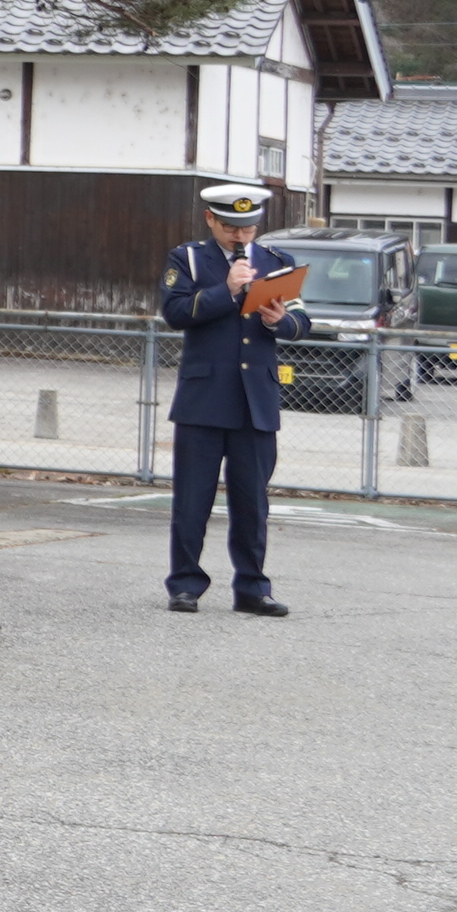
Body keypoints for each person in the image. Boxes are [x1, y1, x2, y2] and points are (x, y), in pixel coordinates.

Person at [161, 181, 295, 617]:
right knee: (192, 499)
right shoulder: (190, 259)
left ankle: (253, 588)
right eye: (232, 227)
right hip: (204, 397)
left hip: (256, 398)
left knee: (252, 501)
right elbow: (175, 312)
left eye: (249, 227)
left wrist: (281, 321)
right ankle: (185, 585)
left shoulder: (277, 262)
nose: (241, 237)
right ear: (211, 220)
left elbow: (303, 320)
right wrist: (229, 292)